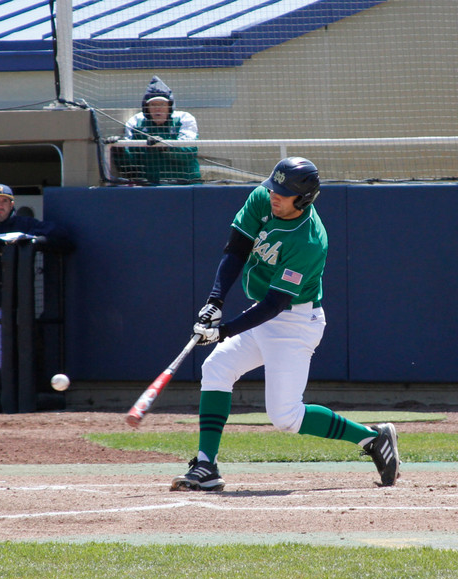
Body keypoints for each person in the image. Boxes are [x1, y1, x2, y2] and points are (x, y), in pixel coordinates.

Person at [171, 157, 400, 492]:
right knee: (216, 368)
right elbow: (236, 249)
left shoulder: (309, 241)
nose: (274, 196)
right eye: (273, 188)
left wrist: (223, 331)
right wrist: (214, 302)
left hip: (294, 321)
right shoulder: (262, 199)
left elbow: (275, 305)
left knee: (286, 417)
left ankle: (373, 438)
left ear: (304, 199)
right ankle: (206, 465)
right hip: (263, 313)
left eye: (283, 193)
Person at [0, 184, 72, 398]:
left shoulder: (21, 222)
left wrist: (30, 238)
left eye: (5, 201)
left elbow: (61, 234)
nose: (0, 205)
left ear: (12, 204)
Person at [111, 76, 200, 185]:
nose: (158, 108)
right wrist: (119, 150)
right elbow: (129, 167)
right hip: (149, 186)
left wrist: (165, 146)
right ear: (146, 107)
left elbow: (189, 152)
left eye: (162, 104)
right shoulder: (135, 122)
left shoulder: (184, 119)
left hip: (185, 184)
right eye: (153, 104)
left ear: (170, 106)